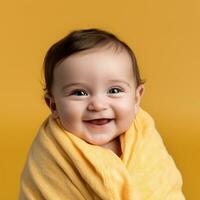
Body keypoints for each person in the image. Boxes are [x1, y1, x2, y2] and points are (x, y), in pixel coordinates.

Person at [19, 28, 185, 199]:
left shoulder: (145, 140)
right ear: (53, 106)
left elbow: (165, 187)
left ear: (136, 99)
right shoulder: (51, 153)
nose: (98, 105)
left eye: (114, 90)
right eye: (79, 93)